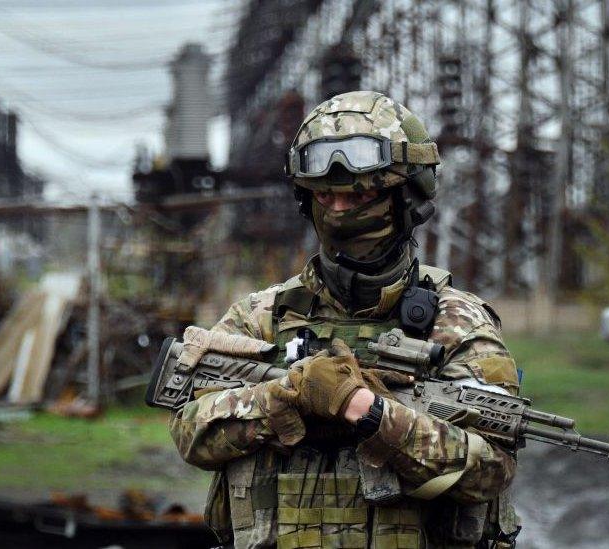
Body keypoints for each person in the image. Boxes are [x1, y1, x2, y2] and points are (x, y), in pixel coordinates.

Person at [169, 91, 521, 549]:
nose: (339, 210)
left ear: (406, 197)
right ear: (306, 198)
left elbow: (491, 468)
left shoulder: (457, 323)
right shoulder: (262, 317)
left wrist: (369, 412)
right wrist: (286, 397)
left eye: (362, 193)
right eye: (325, 195)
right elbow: (191, 430)